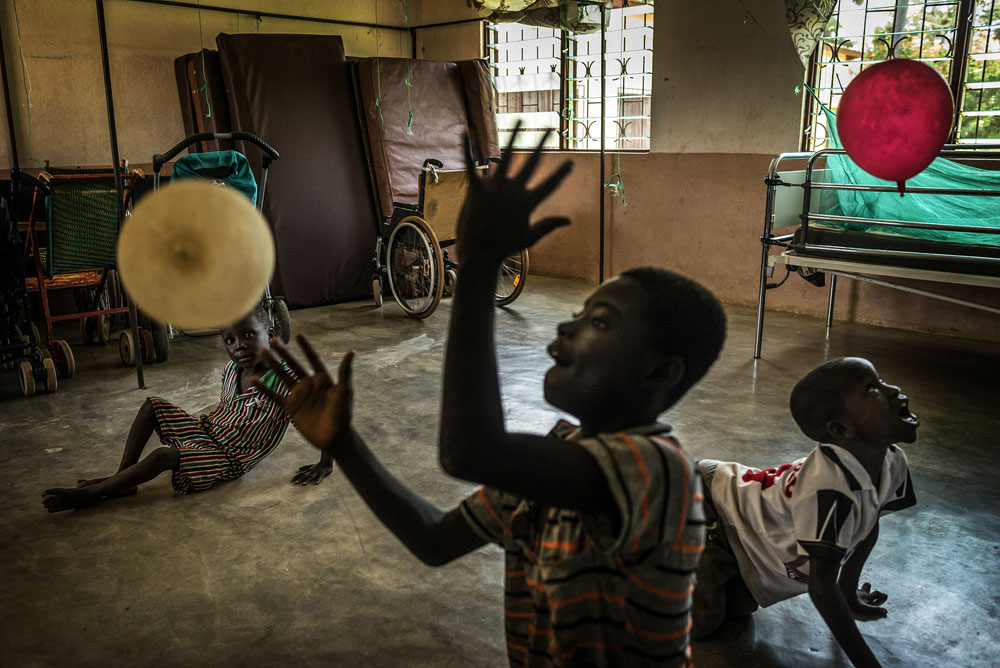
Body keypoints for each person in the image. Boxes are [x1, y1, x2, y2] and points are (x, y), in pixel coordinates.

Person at [254, 125, 728, 667]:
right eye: (575, 314)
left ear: (658, 372)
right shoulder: (552, 463)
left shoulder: (656, 471)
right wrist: (344, 444)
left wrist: (478, 265)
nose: (567, 329)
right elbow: (434, 539)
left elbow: (467, 451)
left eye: (599, 321)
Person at [691, 357, 918, 668]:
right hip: (704, 506)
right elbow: (820, 587)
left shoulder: (893, 460)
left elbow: (868, 525)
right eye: (872, 389)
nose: (892, 390)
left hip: (737, 532)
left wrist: (848, 594)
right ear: (841, 428)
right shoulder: (829, 488)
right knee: (700, 623)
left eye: (881, 382)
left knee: (736, 610)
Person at [42, 304, 328, 512]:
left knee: (164, 456)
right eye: (230, 340)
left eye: (249, 335)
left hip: (229, 457)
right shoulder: (231, 369)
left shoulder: (287, 381)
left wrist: (325, 463)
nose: (239, 346)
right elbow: (226, 413)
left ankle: (93, 494)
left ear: (270, 332)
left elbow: (323, 421)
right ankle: (123, 480)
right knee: (151, 405)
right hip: (208, 431)